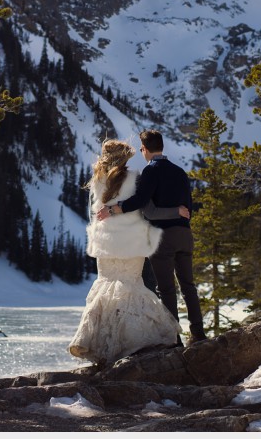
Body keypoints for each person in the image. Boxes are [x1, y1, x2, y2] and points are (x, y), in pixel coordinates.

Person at [68, 139, 182, 366]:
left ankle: (100, 345)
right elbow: (144, 207)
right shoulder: (136, 177)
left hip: (105, 244)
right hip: (131, 242)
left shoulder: (97, 181)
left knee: (106, 286)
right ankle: (134, 342)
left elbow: (97, 213)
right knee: (132, 286)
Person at [100, 129, 207, 344]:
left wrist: (113, 210)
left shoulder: (151, 171)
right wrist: (179, 216)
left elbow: (142, 204)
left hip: (162, 237)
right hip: (185, 235)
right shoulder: (180, 172)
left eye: (141, 149)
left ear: (145, 149)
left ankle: (173, 339)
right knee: (188, 286)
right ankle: (198, 334)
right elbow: (188, 207)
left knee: (166, 290)